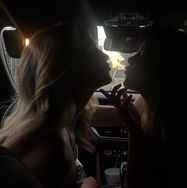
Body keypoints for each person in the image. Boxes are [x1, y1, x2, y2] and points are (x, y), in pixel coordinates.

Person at [100, 28, 187, 188]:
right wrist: (133, 127)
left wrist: (135, 132)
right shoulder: (169, 122)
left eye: (143, 54)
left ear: (167, 68)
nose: (130, 60)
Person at [0, 21, 112, 188]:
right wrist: (90, 183)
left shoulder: (67, 116)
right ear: (65, 68)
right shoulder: (51, 150)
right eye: (90, 49)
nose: (105, 56)